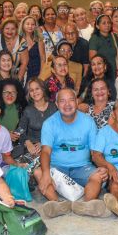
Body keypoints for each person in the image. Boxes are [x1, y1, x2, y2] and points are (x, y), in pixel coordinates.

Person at [34, 88, 109, 218]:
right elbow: (45, 151)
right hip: (57, 167)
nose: (67, 104)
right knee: (38, 172)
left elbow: (95, 153)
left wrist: (104, 167)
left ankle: (86, 205)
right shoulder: (49, 123)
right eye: (62, 101)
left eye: (71, 100)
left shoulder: (88, 122)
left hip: (82, 167)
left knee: (98, 176)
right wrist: (46, 173)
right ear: (57, 104)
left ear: (76, 102)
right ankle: (57, 204)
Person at [15, 78, 57, 159]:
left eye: (37, 88)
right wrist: (27, 142)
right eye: (31, 90)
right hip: (32, 147)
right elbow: (20, 130)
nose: (35, 92)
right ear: (29, 94)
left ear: (43, 89)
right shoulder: (28, 110)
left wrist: (44, 143)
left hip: (50, 145)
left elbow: (58, 130)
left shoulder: (53, 107)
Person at [20, 15, 45, 81]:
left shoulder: (39, 40)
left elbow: (43, 59)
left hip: (37, 72)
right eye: (27, 24)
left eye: (32, 24)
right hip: (22, 73)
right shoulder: (18, 40)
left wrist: (41, 75)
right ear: (23, 25)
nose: (30, 26)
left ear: (35, 26)